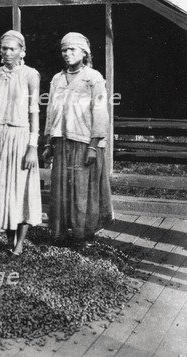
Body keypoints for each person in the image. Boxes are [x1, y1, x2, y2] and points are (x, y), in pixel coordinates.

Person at [43, 32, 113, 245]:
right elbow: (51, 112)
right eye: (64, 50)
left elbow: (100, 112)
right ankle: (61, 233)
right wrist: (48, 142)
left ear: (85, 52)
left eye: (72, 49)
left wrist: (93, 146)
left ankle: (83, 235)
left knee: (83, 190)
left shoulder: (93, 78)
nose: (67, 53)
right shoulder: (57, 79)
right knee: (61, 189)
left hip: (84, 143)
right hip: (61, 142)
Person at [0, 30, 42, 256]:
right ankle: (9, 240)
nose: (7, 53)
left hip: (20, 137)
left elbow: (34, 111)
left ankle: (20, 244)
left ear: (22, 51)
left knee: (21, 188)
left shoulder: (30, 75)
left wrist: (32, 147)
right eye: (4, 48)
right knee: (3, 188)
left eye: (12, 49)